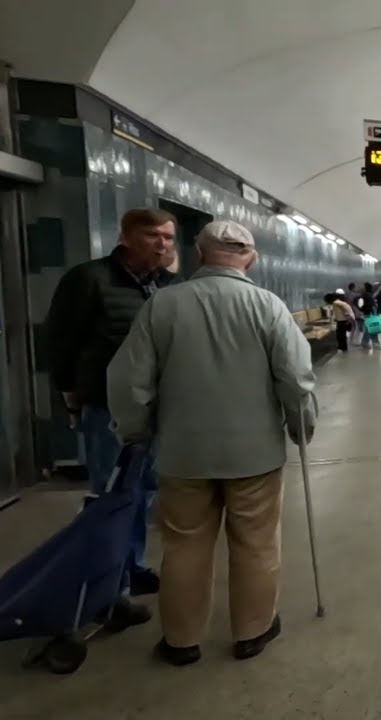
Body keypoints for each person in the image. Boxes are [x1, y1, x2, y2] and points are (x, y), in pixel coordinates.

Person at [106, 219, 317, 666]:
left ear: (199, 253)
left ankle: (181, 641)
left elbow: (129, 381)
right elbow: (296, 380)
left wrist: (135, 430)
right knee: (257, 543)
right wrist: (302, 427)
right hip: (255, 455)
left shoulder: (162, 305)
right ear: (251, 257)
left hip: (183, 455)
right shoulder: (267, 306)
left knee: (183, 545)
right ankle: (253, 631)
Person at [45, 207, 178, 627]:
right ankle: (107, 593)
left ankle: (130, 567)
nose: (162, 244)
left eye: (169, 238)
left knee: (143, 493)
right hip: (106, 407)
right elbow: (61, 343)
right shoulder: (89, 280)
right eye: (153, 236)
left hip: (155, 407)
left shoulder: (161, 286)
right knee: (112, 496)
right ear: (125, 237)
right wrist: (71, 397)